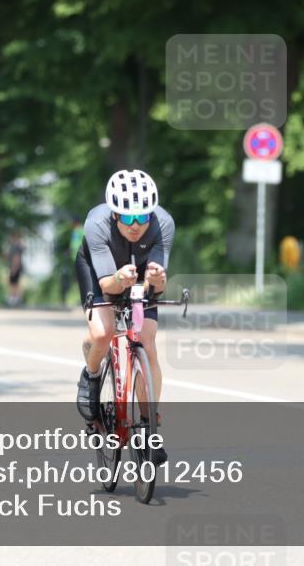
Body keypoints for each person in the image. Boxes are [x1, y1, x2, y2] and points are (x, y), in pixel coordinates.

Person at [75, 169, 173, 463]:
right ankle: (91, 376)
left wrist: (156, 278)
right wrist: (119, 278)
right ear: (115, 214)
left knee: (147, 342)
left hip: (138, 273)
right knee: (102, 333)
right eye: (127, 218)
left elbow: (159, 284)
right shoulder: (96, 224)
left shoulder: (164, 223)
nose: (135, 225)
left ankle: (149, 425)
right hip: (101, 273)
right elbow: (108, 285)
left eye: (142, 217)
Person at [6, 232, 24, 306]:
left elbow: (17, 258)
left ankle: (14, 299)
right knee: (15, 283)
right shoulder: (15, 246)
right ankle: (16, 298)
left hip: (15, 268)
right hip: (16, 267)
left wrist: (14, 269)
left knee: (13, 284)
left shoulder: (15, 247)